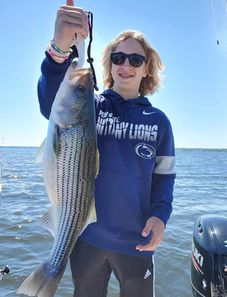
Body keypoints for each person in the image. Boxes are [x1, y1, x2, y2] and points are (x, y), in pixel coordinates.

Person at [38, 4, 176, 297]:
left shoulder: (160, 122)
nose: (126, 65)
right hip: (87, 238)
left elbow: (165, 178)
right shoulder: (93, 106)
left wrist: (160, 216)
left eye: (136, 59)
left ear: (147, 67)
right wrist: (58, 52)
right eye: (119, 57)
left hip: (137, 243)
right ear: (110, 64)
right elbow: (54, 100)